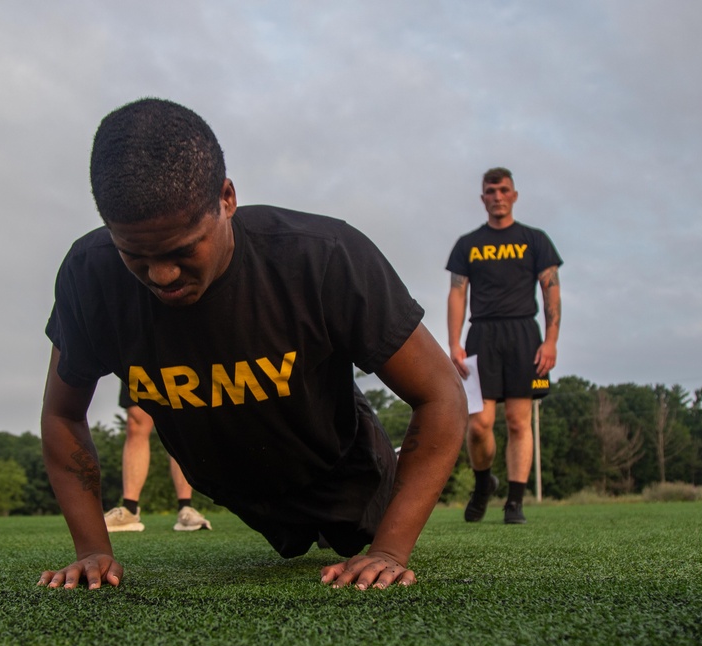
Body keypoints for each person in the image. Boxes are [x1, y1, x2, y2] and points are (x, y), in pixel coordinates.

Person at [38, 97, 466, 591]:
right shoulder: (89, 276)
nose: (162, 275)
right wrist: (93, 549)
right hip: (235, 486)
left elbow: (441, 394)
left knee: (352, 536)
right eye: (134, 253)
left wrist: (389, 550)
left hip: (342, 470)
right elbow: (62, 414)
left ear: (226, 197)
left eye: (182, 249)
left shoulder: (323, 257)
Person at [445, 167, 562, 525]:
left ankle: (514, 502)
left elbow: (551, 289)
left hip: (524, 334)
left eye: (503, 190)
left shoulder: (535, 240)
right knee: (479, 424)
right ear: (483, 198)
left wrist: (551, 341)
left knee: (517, 421)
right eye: (490, 191)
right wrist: (454, 342)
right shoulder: (468, 244)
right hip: (481, 336)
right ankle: (484, 484)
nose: (497, 196)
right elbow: (456, 292)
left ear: (514, 195)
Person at [103, 382, 212, 532]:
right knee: (136, 421)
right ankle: (129, 510)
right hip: (140, 358)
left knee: (180, 421)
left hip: (176, 360)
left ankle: (186, 508)